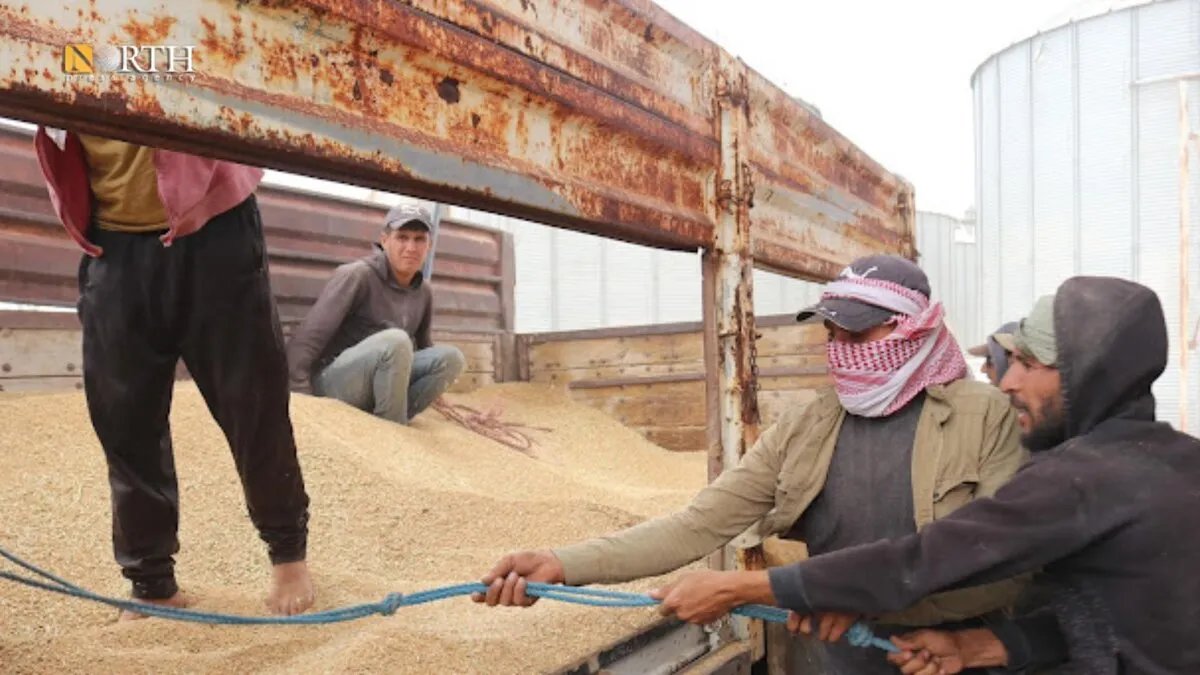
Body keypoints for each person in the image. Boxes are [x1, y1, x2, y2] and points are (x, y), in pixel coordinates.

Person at [475, 255, 1029, 674]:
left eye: (857, 335)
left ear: (911, 329)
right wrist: (561, 563)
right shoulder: (811, 423)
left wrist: (843, 599)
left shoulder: (989, 418)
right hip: (838, 657)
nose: (841, 350)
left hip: (951, 655)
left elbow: (1007, 569)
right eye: (831, 335)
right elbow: (697, 525)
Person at [651, 277, 1200, 674]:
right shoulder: (1174, 461)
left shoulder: (1084, 477)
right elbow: (1123, 622)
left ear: (1090, 373)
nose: (1008, 382)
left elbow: (930, 557)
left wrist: (738, 586)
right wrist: (979, 647)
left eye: (1030, 364)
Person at [35, 128, 313, 618]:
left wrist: (110, 58)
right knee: (124, 421)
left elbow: (179, 59)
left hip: (215, 228)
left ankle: (289, 556)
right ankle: (151, 582)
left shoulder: (156, 49)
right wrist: (82, 58)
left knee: (252, 403)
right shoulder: (64, 54)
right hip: (111, 243)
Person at [286, 204, 465, 424]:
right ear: (384, 240)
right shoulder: (357, 276)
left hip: (381, 388)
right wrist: (306, 403)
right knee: (396, 341)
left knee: (451, 358)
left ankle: (390, 418)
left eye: (419, 239)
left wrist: (441, 400)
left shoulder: (424, 291)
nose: (411, 247)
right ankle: (392, 431)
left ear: (429, 245)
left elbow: (426, 348)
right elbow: (304, 343)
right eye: (402, 237)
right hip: (334, 384)